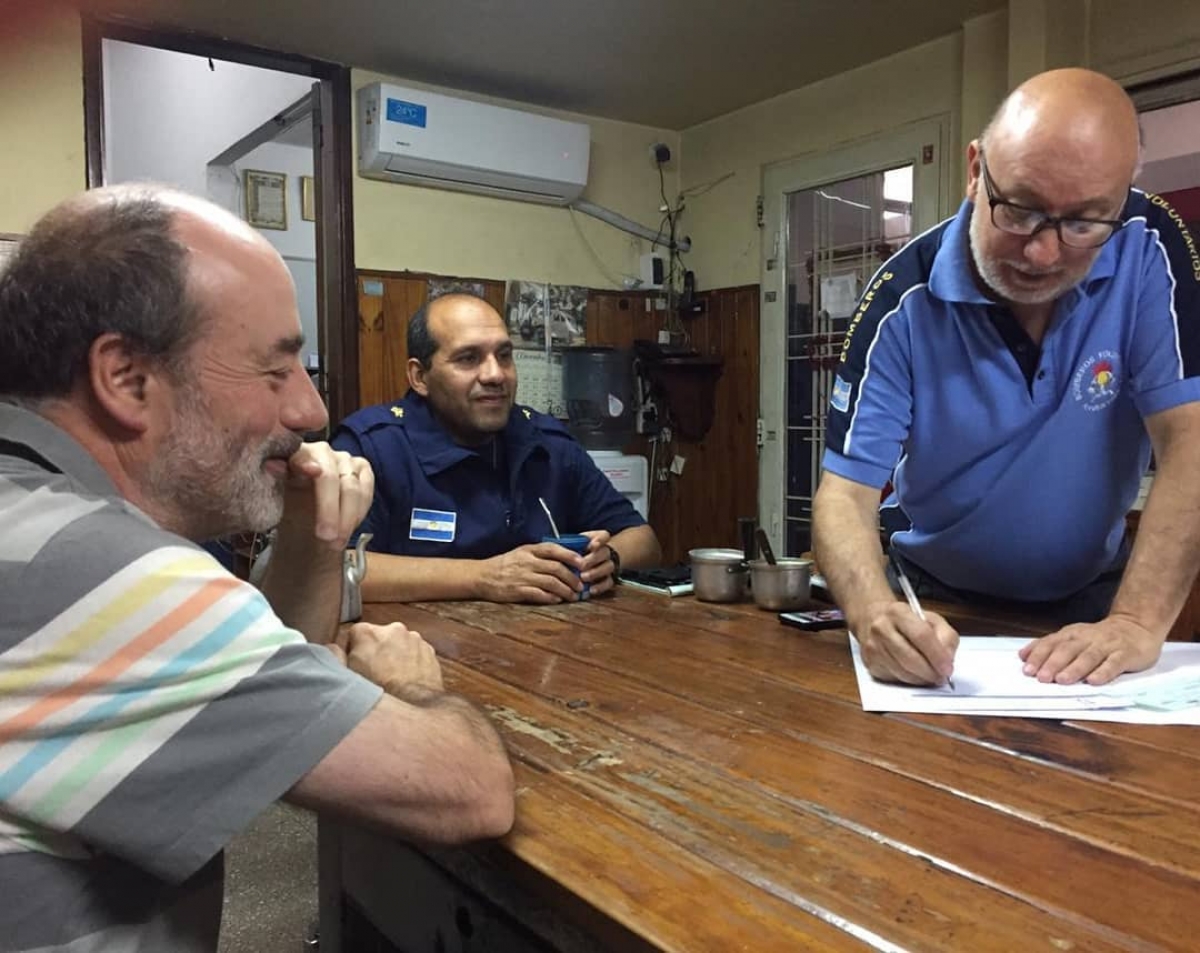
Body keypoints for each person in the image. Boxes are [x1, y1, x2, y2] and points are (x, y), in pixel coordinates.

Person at [0, 185, 514, 952]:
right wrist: (409, 681)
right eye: (276, 372)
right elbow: (468, 791)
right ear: (127, 378)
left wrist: (309, 533)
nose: (311, 410)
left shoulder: (27, 516)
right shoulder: (101, 571)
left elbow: (250, 693)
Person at [813, 68, 1200, 689]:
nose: (1042, 254)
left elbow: (1191, 444)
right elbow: (846, 493)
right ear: (975, 171)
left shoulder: (1150, 247)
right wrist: (873, 615)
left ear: (1122, 200)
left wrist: (1135, 620)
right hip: (931, 601)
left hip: (1091, 602)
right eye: (1019, 210)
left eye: (1083, 223)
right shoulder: (900, 299)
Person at [331, 293, 662, 603]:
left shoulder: (546, 440)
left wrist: (609, 559)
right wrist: (482, 577)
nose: (494, 374)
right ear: (420, 377)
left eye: (504, 356)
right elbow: (334, 570)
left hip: (550, 645)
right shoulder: (372, 447)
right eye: (468, 358)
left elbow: (643, 539)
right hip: (415, 653)